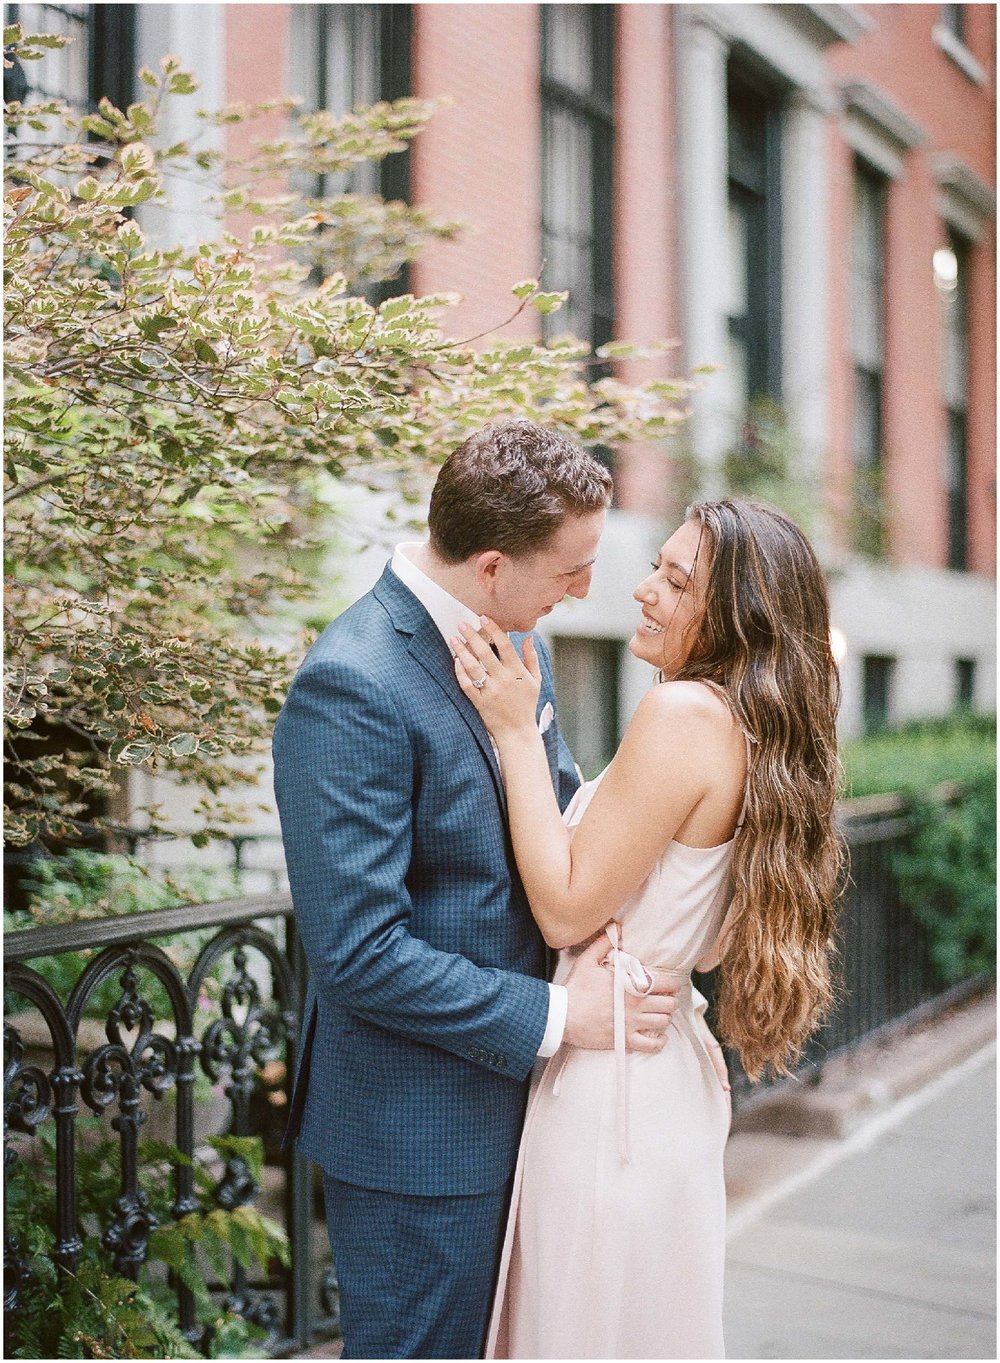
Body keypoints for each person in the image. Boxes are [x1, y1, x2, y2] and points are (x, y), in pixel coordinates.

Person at [272, 419, 683, 1360]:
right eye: (571, 568)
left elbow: (566, 812)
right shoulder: (352, 682)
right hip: (420, 1141)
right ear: (493, 564)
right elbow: (358, 955)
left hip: (529, 1116)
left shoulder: (508, 643)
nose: (591, 587)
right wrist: (558, 1015)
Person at [451, 497, 842, 1359]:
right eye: (656, 568)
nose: (643, 591)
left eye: (675, 579)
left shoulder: (684, 716)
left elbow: (563, 905)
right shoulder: (753, 729)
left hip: (612, 1090)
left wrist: (516, 730)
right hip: (661, 1070)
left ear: (735, 615)